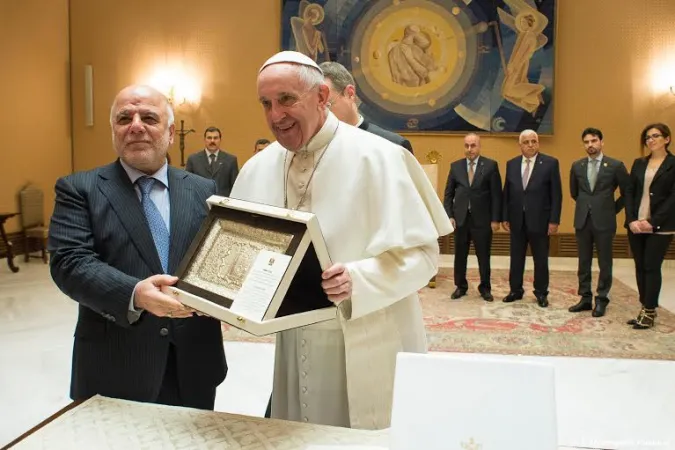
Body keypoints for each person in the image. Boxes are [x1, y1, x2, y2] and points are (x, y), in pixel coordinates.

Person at [231, 51, 451, 430]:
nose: (275, 116)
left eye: (286, 99)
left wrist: (359, 279)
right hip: (294, 339)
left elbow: (424, 255)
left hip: (369, 335)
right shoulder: (259, 167)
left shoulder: (380, 158)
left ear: (321, 97)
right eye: (266, 104)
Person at [48, 85, 227, 409]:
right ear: (114, 131)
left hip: (193, 363)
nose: (136, 126)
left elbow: (218, 258)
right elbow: (70, 263)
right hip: (116, 365)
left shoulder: (203, 189)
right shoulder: (80, 189)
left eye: (148, 117)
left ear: (171, 133)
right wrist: (135, 294)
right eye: (124, 118)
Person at [568, 127, 629, 317]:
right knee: (583, 262)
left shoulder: (615, 165)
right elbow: (574, 192)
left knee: (605, 262)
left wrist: (612, 209)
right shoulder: (577, 166)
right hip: (583, 220)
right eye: (586, 142)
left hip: (605, 222)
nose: (590, 145)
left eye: (594, 141)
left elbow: (627, 193)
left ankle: (601, 299)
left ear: (602, 142)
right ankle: (585, 298)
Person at [502, 129, 562, 307]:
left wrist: (554, 220)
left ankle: (541, 292)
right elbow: (507, 192)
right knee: (516, 258)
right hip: (516, 221)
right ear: (520, 145)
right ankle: (515, 290)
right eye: (526, 142)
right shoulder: (511, 164)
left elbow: (556, 194)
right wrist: (505, 216)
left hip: (541, 221)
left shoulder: (550, 163)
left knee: (541, 259)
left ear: (538, 143)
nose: (530, 145)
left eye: (533, 141)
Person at [624, 123, 675, 329]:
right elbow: (629, 192)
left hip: (660, 227)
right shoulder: (638, 163)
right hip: (636, 225)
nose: (650, 140)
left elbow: (673, 199)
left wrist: (651, 222)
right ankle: (644, 307)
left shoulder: (673, 164)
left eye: (655, 136)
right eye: (647, 137)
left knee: (651, 267)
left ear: (667, 139)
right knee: (639, 266)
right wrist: (631, 220)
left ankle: (650, 311)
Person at [443, 133, 502, 301]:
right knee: (460, 255)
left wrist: (495, 219)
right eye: (467, 146)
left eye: (473, 145)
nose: (470, 149)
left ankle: (485, 288)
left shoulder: (490, 166)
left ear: (479, 146)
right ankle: (460, 286)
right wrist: (449, 215)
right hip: (461, 220)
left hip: (483, 220)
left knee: (483, 255)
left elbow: (497, 195)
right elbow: (448, 194)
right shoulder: (456, 167)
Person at [319, 61, 414, 153]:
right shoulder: (312, 146)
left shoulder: (394, 146)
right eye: (315, 108)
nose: (320, 116)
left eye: (327, 105)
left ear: (350, 94)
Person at [185, 126, 239, 197]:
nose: (212, 141)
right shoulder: (193, 160)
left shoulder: (231, 160)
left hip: (222, 205)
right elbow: (187, 185)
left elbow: (235, 188)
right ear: (204, 140)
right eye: (209, 138)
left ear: (220, 140)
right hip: (200, 204)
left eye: (215, 138)